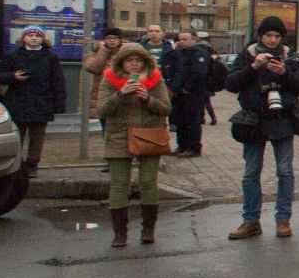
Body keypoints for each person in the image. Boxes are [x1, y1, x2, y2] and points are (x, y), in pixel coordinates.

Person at [224, 15, 299, 241]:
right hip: (253, 121)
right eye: (268, 35)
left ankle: (283, 220)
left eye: (277, 36)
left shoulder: (290, 57)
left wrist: (285, 74)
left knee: (285, 171)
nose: (272, 40)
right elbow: (231, 84)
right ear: (260, 36)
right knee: (251, 173)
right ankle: (251, 220)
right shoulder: (248, 54)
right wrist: (253, 67)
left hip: (282, 120)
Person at [96, 41, 172, 248]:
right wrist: (120, 95)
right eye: (130, 60)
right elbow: (102, 110)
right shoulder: (110, 79)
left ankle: (148, 229)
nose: (135, 64)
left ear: (145, 62)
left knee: (148, 182)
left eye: (139, 60)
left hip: (149, 136)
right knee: (120, 185)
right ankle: (119, 233)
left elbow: (166, 108)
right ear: (122, 62)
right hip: (118, 137)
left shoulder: (155, 79)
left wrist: (148, 99)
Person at [0, 26, 67, 174]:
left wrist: (59, 104)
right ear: (24, 37)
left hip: (42, 102)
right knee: (17, 134)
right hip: (17, 102)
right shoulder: (12, 55)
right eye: (30, 35)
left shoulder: (50, 57)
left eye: (37, 36)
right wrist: (13, 76)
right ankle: (17, 164)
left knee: (37, 135)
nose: (34, 38)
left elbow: (58, 81)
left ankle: (33, 164)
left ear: (43, 39)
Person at [165, 29, 211, 157]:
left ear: (194, 40)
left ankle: (194, 148)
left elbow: (199, 73)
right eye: (180, 39)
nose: (181, 42)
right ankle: (182, 146)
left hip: (194, 93)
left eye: (185, 39)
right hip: (179, 93)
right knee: (180, 120)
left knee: (193, 121)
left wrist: (188, 88)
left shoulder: (200, 52)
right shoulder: (178, 53)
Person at [80, 26, 124, 120]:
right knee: (104, 124)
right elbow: (92, 68)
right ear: (103, 40)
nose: (112, 40)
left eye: (115, 38)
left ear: (120, 40)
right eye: (109, 38)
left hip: (121, 93)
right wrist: (103, 50)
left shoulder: (126, 53)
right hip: (102, 95)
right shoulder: (96, 52)